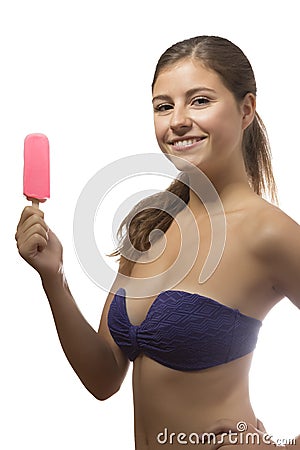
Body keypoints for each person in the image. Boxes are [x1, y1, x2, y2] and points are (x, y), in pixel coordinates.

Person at [15, 36, 300, 449]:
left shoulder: (269, 232)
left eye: (199, 101)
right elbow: (104, 377)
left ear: (246, 110)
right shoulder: (153, 224)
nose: (178, 120)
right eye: (164, 106)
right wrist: (53, 277)